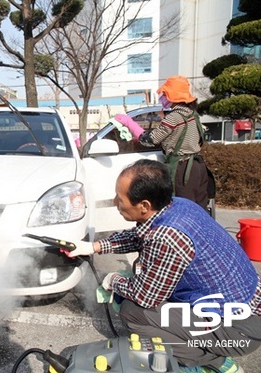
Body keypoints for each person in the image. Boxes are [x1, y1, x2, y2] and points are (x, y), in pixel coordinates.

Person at [63, 160, 261, 372]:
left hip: (237, 329)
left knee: (133, 312)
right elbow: (140, 236)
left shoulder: (166, 237)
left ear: (145, 206)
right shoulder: (178, 205)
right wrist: (92, 247)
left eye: (120, 200)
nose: (115, 203)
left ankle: (214, 362)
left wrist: (113, 281)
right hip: (246, 308)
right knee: (144, 278)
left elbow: (146, 296)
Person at [114, 76, 211, 211]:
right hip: (198, 167)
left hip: (182, 170)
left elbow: (151, 140)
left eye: (165, 94)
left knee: (181, 209)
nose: (162, 97)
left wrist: (129, 123)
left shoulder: (174, 117)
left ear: (173, 95)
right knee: (199, 209)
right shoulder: (192, 114)